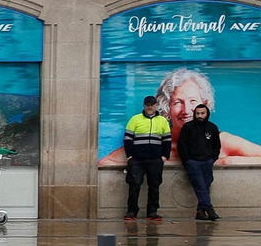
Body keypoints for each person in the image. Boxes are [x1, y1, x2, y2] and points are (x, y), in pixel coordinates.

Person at [98, 67, 261, 166]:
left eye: (193, 101)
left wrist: (229, 162)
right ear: (166, 108)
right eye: (177, 102)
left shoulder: (223, 142)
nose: (187, 110)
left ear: (205, 104)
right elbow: (105, 163)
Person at [123, 95, 171, 221]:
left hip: (155, 159)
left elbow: (167, 140)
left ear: (156, 106)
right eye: (147, 105)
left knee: (154, 185)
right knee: (134, 185)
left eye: (152, 105)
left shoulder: (162, 121)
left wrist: (164, 157)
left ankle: (152, 212)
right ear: (144, 106)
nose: (150, 107)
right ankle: (132, 211)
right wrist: (130, 157)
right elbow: (128, 139)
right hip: (137, 160)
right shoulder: (135, 119)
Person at [179, 103, 221, 220]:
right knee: (200, 186)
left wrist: (213, 158)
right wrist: (187, 160)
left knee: (206, 185)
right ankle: (209, 209)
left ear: (207, 114)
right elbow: (182, 145)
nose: (200, 116)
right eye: (197, 113)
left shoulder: (212, 127)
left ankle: (200, 211)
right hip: (193, 162)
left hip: (207, 161)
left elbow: (216, 145)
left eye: (202, 113)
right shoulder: (188, 127)